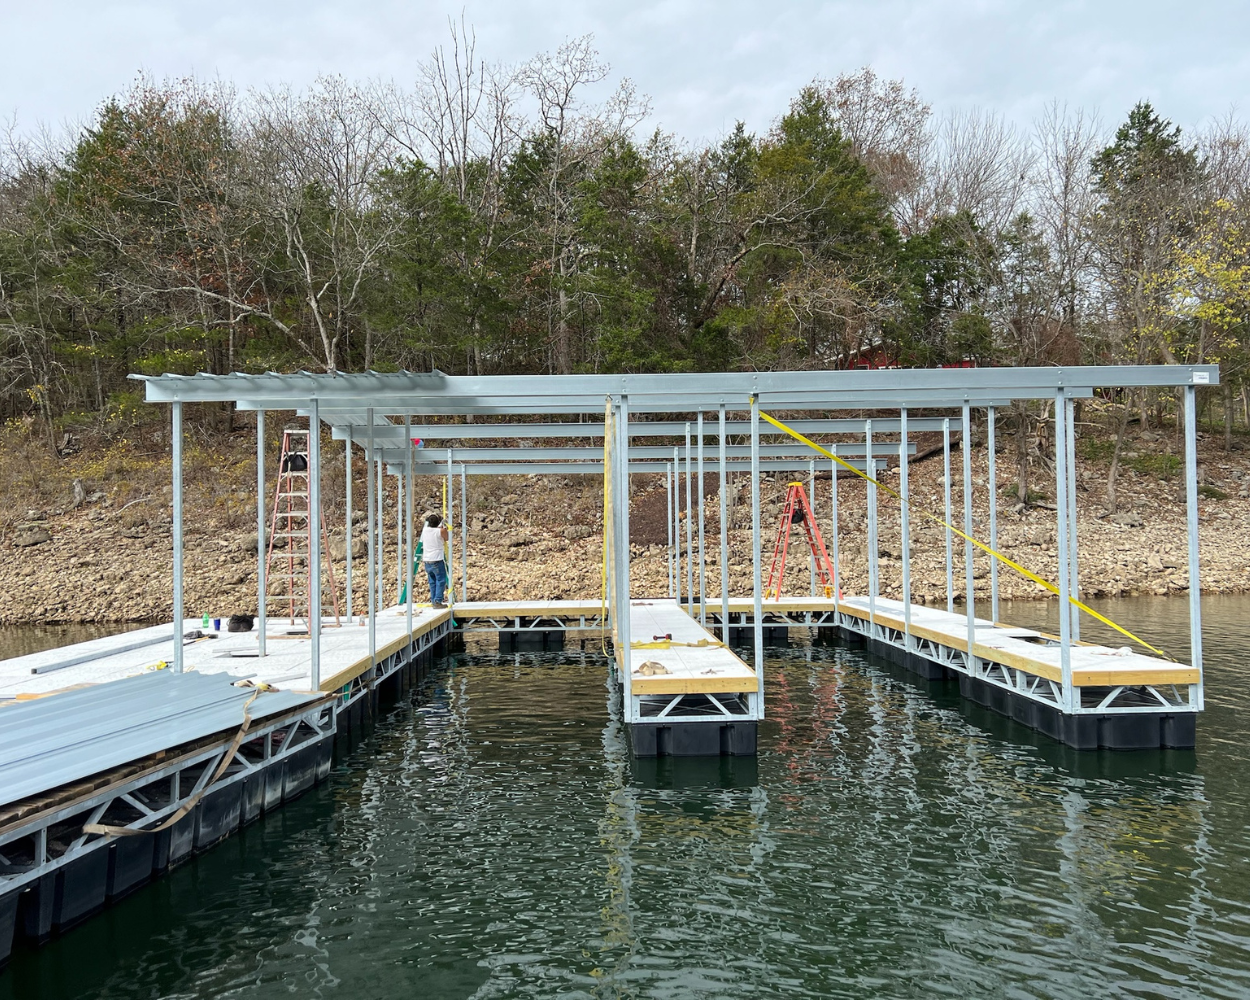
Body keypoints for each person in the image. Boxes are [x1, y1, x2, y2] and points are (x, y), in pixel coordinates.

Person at [420, 512, 451, 608]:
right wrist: (445, 527)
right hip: (436, 559)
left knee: (432, 581)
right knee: (441, 580)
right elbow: (446, 537)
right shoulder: (440, 531)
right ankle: (438, 601)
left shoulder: (425, 530)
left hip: (426, 560)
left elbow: (433, 530)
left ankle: (434, 600)